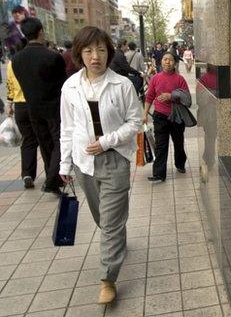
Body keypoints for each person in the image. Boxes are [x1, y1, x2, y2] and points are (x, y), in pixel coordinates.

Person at [59, 26, 142, 304]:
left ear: (109, 52)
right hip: (84, 163)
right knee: (103, 219)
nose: (96, 56)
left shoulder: (122, 84)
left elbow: (136, 122)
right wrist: (65, 164)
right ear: (79, 54)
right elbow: (67, 128)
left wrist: (108, 141)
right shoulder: (69, 87)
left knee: (109, 224)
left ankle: (108, 279)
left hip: (115, 160)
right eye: (89, 50)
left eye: (102, 50)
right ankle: (117, 236)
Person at [11, 17, 66, 196]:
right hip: (54, 107)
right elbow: (63, 83)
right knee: (60, 143)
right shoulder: (53, 57)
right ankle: (51, 180)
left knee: (45, 144)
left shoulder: (16, 60)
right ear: (41, 31)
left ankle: (54, 179)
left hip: (31, 108)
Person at [142, 52, 190, 182]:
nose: (167, 62)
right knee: (161, 145)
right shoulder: (155, 78)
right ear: (161, 61)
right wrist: (145, 113)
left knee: (178, 143)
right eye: (165, 59)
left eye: (170, 60)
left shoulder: (180, 79)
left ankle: (180, 164)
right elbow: (149, 97)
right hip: (160, 116)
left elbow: (187, 98)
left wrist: (171, 96)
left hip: (176, 117)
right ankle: (159, 174)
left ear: (174, 63)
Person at [5, 37, 39, 189]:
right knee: (43, 139)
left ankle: (27, 173)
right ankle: (53, 175)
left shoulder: (11, 63)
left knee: (28, 140)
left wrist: (9, 103)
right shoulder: (32, 61)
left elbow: (10, 86)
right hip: (35, 104)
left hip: (19, 106)